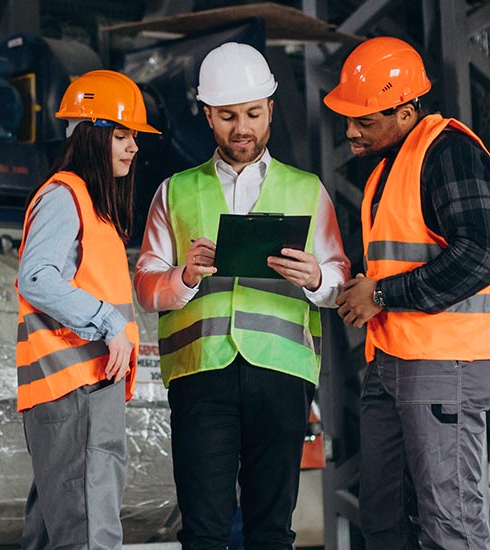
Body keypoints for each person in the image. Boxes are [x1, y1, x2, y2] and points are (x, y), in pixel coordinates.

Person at [134, 42, 350, 550]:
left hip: (281, 375)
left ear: (270, 108)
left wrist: (317, 277)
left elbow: (340, 277)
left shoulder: (308, 190)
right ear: (207, 115)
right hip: (200, 374)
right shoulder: (174, 191)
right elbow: (145, 285)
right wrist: (184, 278)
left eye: (253, 113)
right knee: (204, 531)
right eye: (227, 116)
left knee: (272, 530)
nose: (241, 128)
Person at [324, 37, 490, 550]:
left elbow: (482, 255)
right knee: (383, 519)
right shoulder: (392, 165)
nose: (350, 131)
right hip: (394, 359)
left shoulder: (450, 154)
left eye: (363, 121)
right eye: (348, 118)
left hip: (447, 365)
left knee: (449, 520)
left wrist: (383, 295)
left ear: (406, 110)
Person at [15, 69, 160, 550]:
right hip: (76, 389)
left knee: (56, 530)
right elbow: (36, 277)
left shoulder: (89, 205)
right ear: (92, 136)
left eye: (134, 137)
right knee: (88, 533)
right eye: (121, 135)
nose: (133, 147)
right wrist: (108, 322)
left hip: (79, 390)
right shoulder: (65, 196)